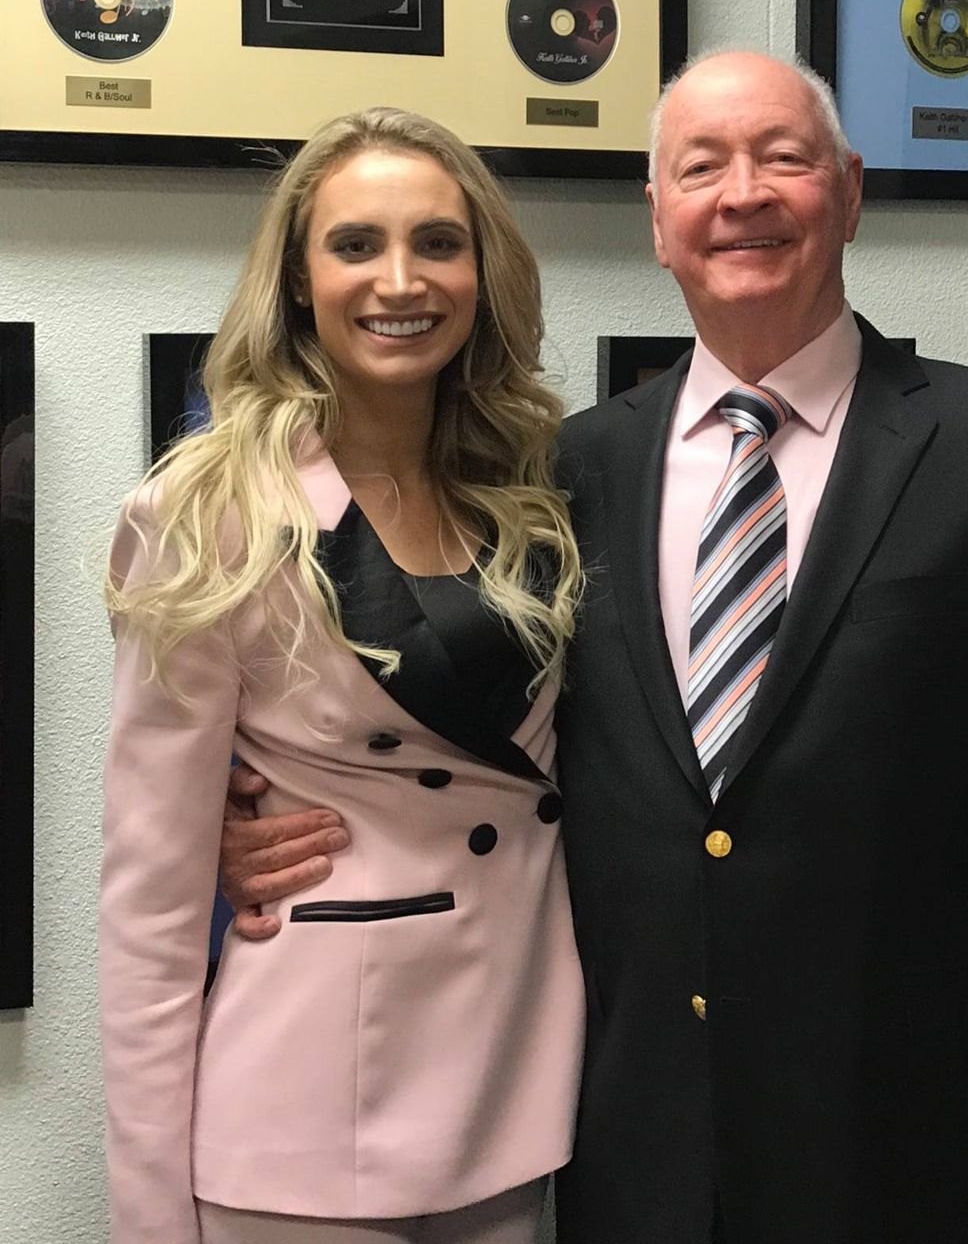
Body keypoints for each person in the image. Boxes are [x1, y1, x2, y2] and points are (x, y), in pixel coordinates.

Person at [219, 55, 968, 1244]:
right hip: (637, 1153)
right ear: (658, 221)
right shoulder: (558, 477)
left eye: (783, 158)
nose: (743, 194)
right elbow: (469, 750)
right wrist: (250, 815)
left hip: (917, 1147)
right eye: (701, 168)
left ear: (849, 191)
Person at [100, 107, 585, 1244]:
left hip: (511, 1091)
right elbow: (151, 906)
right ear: (297, 278)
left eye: (439, 243)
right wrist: (150, 1217)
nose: (400, 281)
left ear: (483, 274)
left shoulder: (532, 492)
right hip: (304, 1120)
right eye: (356, 244)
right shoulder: (207, 511)